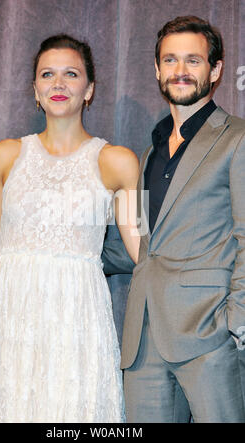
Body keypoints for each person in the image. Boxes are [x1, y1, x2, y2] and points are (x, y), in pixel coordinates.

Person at [0, 34, 140, 423]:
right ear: (35, 89)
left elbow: (142, 248)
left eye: (71, 74)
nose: (59, 83)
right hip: (6, 314)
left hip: (75, 317)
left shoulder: (119, 162)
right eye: (47, 74)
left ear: (90, 89)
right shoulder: (6, 154)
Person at [103, 16, 245, 423]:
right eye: (170, 60)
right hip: (143, 342)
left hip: (210, 337)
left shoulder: (237, 139)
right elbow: (145, 244)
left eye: (193, 61)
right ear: (156, 69)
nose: (180, 71)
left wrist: (232, 325)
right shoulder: (149, 152)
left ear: (215, 70)